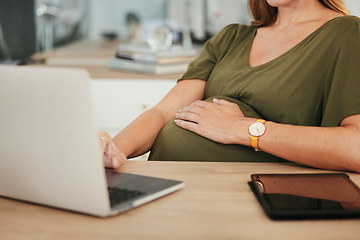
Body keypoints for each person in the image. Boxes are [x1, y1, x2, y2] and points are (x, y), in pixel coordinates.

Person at [98, 0, 360, 173]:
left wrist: (244, 129)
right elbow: (163, 113)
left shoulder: (347, 34)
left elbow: (355, 147)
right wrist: (116, 149)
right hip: (174, 194)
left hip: (255, 205)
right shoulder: (231, 38)